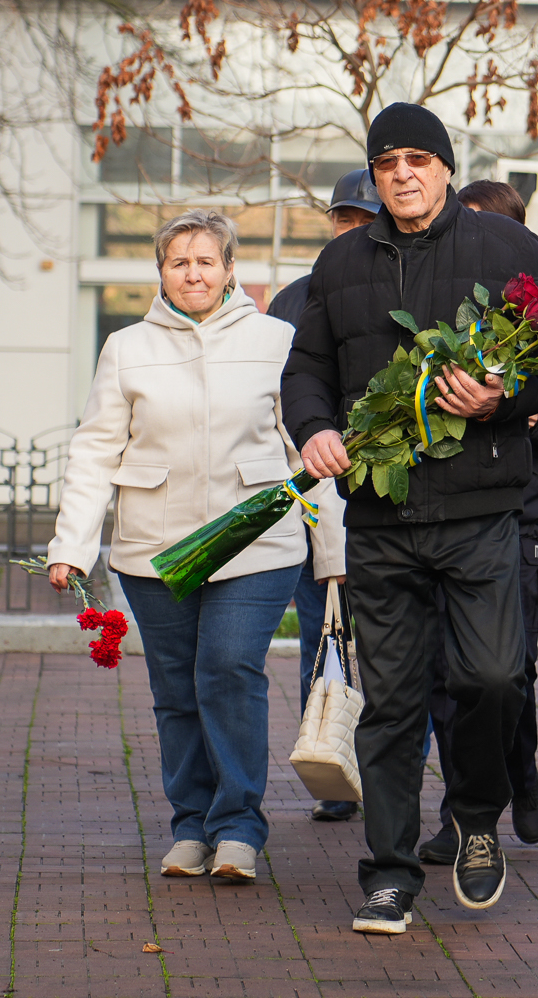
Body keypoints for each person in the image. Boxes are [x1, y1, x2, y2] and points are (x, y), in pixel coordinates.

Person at [284, 101, 538, 936]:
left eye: (418, 158)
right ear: (374, 177)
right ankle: (389, 872)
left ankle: (477, 815)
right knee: (392, 703)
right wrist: (317, 427)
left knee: (492, 678)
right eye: (388, 163)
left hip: (482, 507)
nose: (403, 174)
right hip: (381, 515)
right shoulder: (340, 263)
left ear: (446, 167)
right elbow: (306, 368)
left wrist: (500, 398)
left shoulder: (507, 248)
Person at [47, 209, 342, 885]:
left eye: (206, 261)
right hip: (155, 547)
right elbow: (95, 450)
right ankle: (190, 824)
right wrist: (72, 544)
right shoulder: (126, 347)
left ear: (230, 269)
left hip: (256, 542)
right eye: (179, 262)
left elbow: (309, 447)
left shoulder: (278, 340)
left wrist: (334, 551)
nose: (194, 274)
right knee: (176, 687)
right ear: (161, 272)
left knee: (229, 667)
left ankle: (237, 827)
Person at [417, 180, 538, 860]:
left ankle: (519, 769)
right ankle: (462, 812)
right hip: (442, 507)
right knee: (446, 671)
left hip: (516, 512)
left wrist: (526, 412)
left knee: (506, 667)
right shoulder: (441, 303)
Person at [265, 169, 380, 821]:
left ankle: (384, 772)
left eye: (365, 219)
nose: (352, 229)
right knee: (323, 640)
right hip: (311, 502)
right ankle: (335, 768)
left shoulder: (404, 289)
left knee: (390, 650)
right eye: (345, 217)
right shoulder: (294, 297)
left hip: (386, 500)